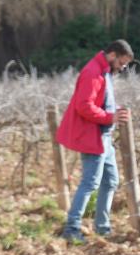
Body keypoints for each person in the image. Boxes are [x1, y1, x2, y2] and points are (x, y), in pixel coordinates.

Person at [56, 40, 134, 243]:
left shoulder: (105, 71)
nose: (123, 68)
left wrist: (114, 110)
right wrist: (110, 118)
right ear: (112, 55)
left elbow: (101, 101)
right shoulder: (93, 72)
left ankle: (102, 228)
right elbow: (84, 106)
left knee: (111, 181)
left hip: (104, 137)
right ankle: (72, 228)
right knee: (90, 183)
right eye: (122, 63)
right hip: (94, 137)